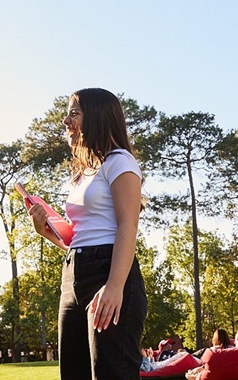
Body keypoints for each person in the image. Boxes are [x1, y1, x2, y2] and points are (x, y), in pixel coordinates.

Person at [28, 88, 147, 379]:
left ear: (96, 117)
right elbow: (77, 239)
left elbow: (128, 226)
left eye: (74, 113)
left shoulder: (120, 162)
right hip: (73, 275)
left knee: (109, 373)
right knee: (73, 373)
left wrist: (115, 285)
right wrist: (45, 232)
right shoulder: (84, 173)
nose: (66, 120)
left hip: (109, 272)